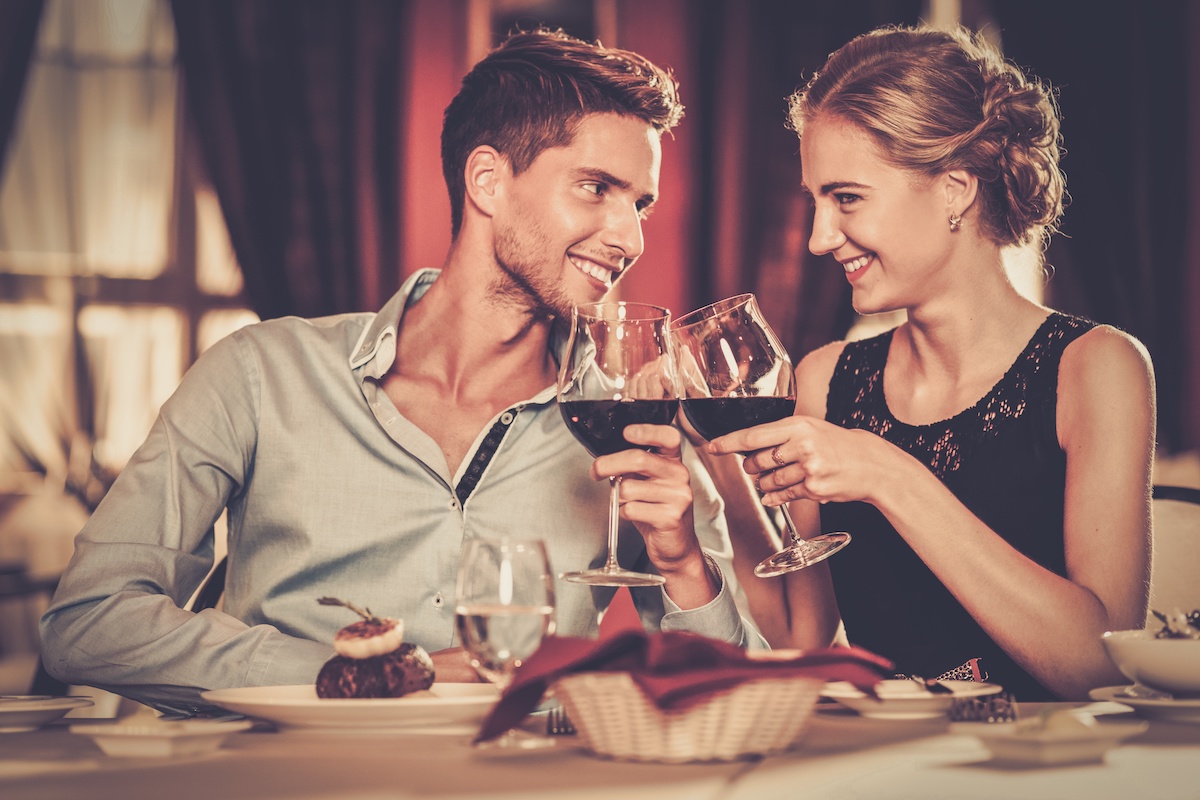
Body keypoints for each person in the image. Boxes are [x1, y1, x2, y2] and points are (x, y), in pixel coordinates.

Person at [40, 28, 764, 714]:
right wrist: (361, 675)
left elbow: (732, 691)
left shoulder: (633, 429)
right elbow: (89, 622)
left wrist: (681, 561)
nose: (631, 235)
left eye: (640, 203)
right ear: (488, 180)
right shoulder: (261, 375)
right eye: (596, 188)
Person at [706, 24, 1155, 701]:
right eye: (815, 201)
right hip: (885, 764)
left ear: (955, 189)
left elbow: (1102, 665)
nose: (820, 237)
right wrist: (716, 462)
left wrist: (889, 474)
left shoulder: (1098, 369)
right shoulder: (827, 378)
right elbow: (800, 634)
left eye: (847, 197)